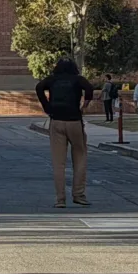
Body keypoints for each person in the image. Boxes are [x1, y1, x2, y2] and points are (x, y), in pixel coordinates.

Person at [35, 57, 96, 207]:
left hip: (56, 121)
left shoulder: (52, 80)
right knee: (80, 157)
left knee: (58, 163)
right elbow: (89, 89)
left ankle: (60, 199)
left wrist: (47, 106)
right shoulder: (77, 79)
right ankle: (79, 194)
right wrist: (85, 104)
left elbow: (39, 87)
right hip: (74, 121)